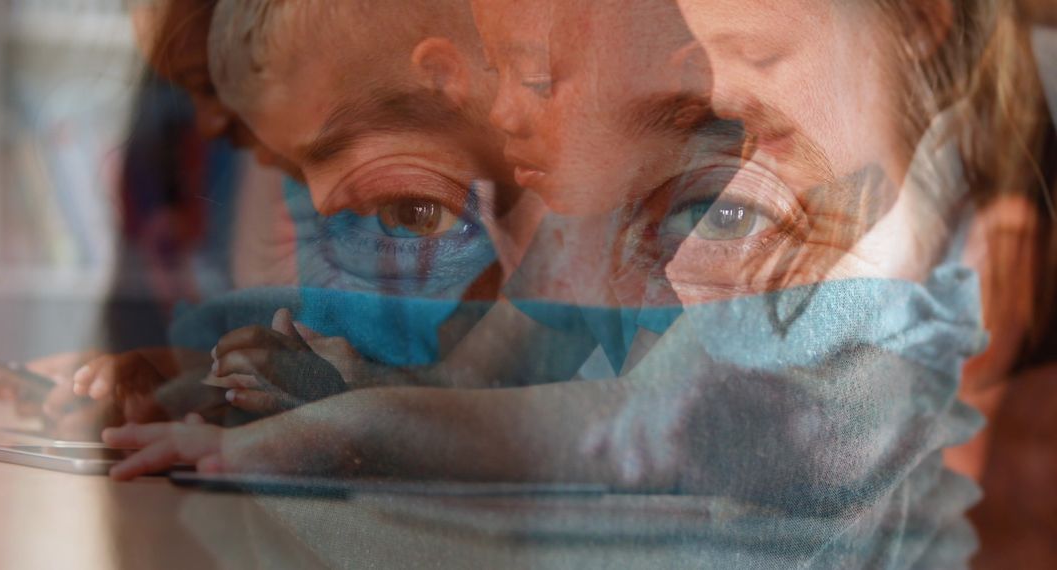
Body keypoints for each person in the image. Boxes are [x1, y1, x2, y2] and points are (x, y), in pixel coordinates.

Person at [105, 0, 1054, 566]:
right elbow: (479, 383)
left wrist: (353, 426)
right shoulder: (615, 200)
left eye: (536, 72)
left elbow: (610, 431)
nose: (506, 112)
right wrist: (342, 393)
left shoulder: (885, 276)